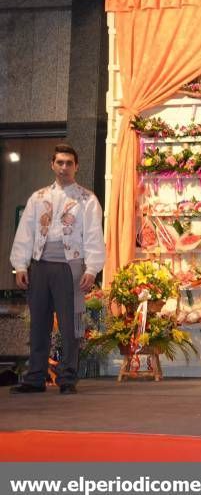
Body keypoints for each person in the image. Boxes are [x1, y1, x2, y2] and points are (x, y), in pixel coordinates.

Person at [9, 144, 105, 395]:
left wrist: (92, 268)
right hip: (39, 265)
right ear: (52, 165)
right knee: (38, 323)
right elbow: (25, 232)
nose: (64, 167)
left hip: (69, 266)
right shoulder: (38, 197)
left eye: (69, 163)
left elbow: (94, 235)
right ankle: (36, 377)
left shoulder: (87, 199)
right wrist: (20, 264)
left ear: (76, 166)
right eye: (60, 162)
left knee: (69, 324)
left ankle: (67, 377)